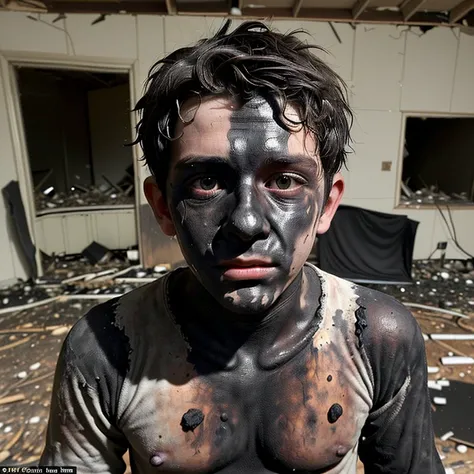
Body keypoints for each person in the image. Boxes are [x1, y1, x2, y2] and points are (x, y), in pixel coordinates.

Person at [40, 20, 443, 473]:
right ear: (163, 207)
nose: (247, 222)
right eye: (207, 182)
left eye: (285, 181)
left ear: (327, 206)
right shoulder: (107, 347)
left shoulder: (374, 337)